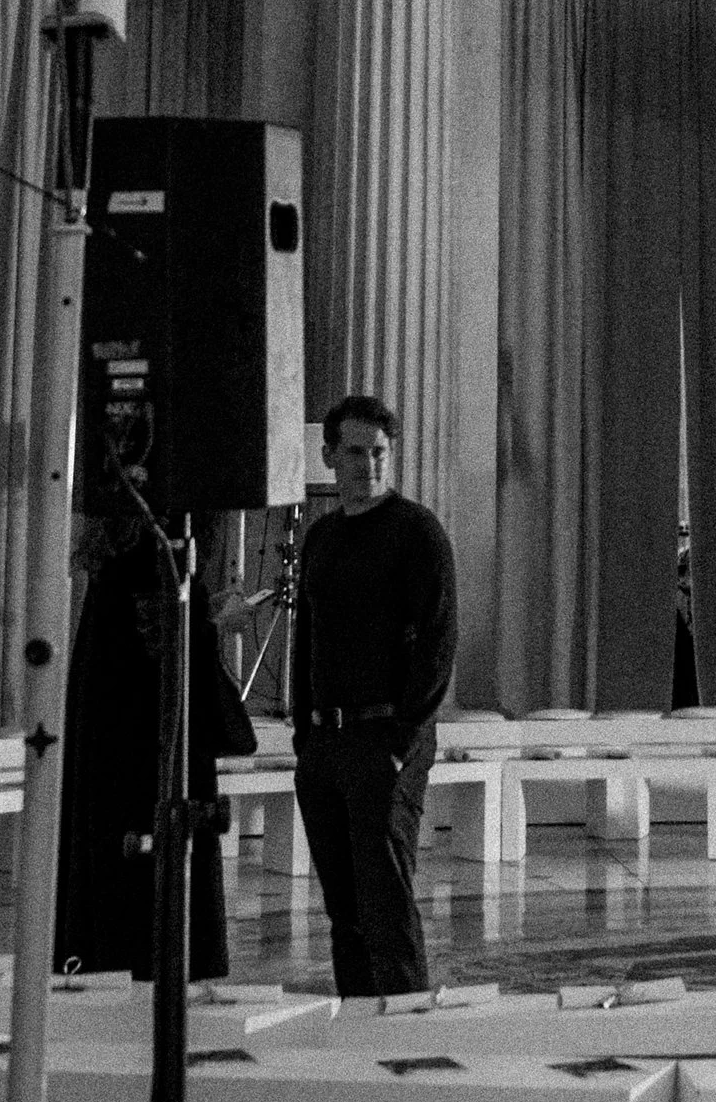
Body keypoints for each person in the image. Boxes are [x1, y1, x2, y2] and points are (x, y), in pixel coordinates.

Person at [291, 395, 460, 998]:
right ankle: (358, 1032)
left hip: (385, 739)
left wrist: (401, 738)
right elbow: (305, 639)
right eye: (356, 452)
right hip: (326, 743)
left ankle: (406, 1034)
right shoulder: (322, 538)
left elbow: (438, 643)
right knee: (345, 914)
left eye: (380, 453)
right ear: (330, 456)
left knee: (385, 904)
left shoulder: (417, 531)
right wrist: (303, 740)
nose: (369, 465)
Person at [56, 483, 254, 982]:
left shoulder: (116, 545)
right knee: (150, 884)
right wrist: (214, 620)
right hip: (150, 741)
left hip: (113, 733)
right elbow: (165, 641)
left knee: (110, 875)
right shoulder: (158, 546)